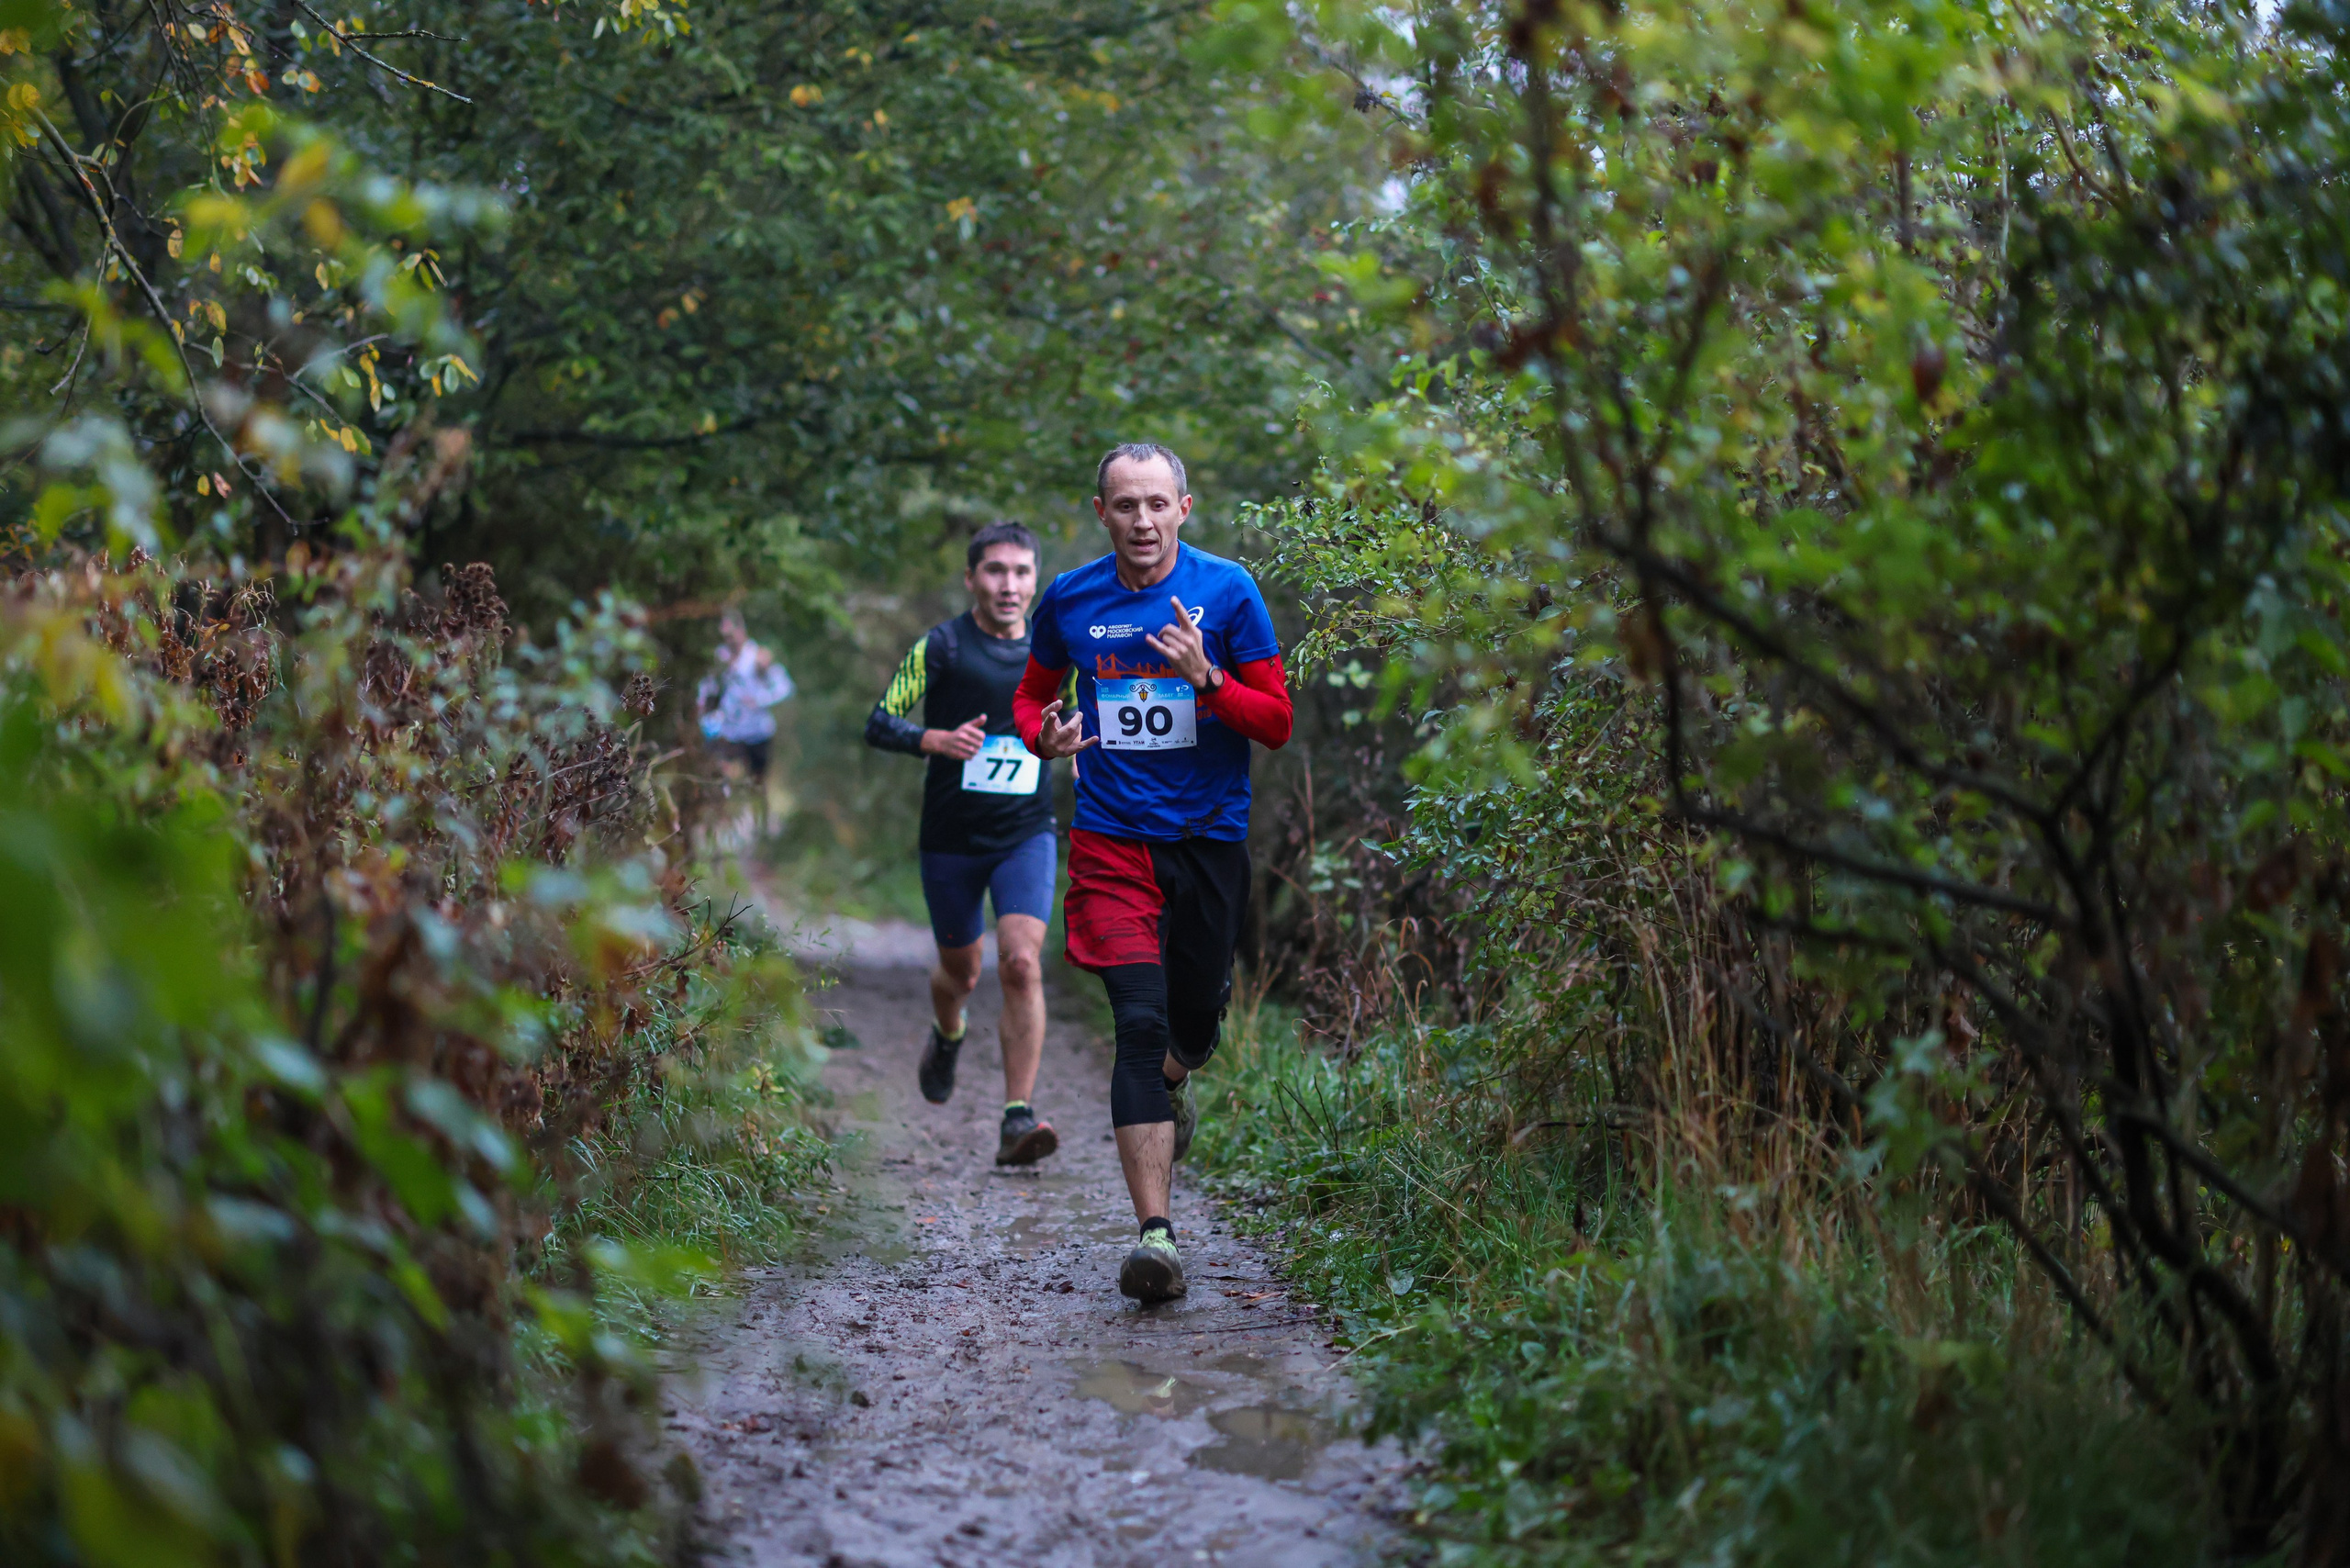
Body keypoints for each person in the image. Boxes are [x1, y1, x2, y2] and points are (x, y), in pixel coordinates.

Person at [1014, 443, 1292, 1302]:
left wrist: (1207, 678)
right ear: (1101, 511)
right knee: (1137, 1025)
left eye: (1156, 505)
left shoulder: (1229, 591)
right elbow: (1032, 697)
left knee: (1194, 1029)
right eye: (1125, 505)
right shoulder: (1069, 598)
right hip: (1111, 839)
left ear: (1184, 508)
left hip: (1208, 839)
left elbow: (1276, 722)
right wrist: (1043, 738)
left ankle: (1177, 1081)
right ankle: (1157, 1241)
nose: (1142, 521)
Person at [864, 521, 1061, 1167]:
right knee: (962, 973)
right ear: (972, 578)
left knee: (1021, 963)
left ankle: (1016, 1117)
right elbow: (881, 720)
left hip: (1025, 834)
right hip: (950, 838)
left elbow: (1085, 723)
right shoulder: (941, 646)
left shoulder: (1055, 652)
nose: (1010, 585)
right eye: (996, 571)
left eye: (1022, 572)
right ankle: (948, 1033)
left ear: (1036, 578)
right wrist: (935, 740)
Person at [698, 611, 796, 828]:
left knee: (757, 783)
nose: (729, 640)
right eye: (724, 636)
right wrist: (702, 705)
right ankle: (724, 821)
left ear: (741, 631)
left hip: (758, 732)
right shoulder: (719, 657)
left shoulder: (759, 657)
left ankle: (760, 825)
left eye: (731, 634)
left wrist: (760, 699)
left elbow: (784, 686)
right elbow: (707, 687)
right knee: (722, 775)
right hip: (728, 731)